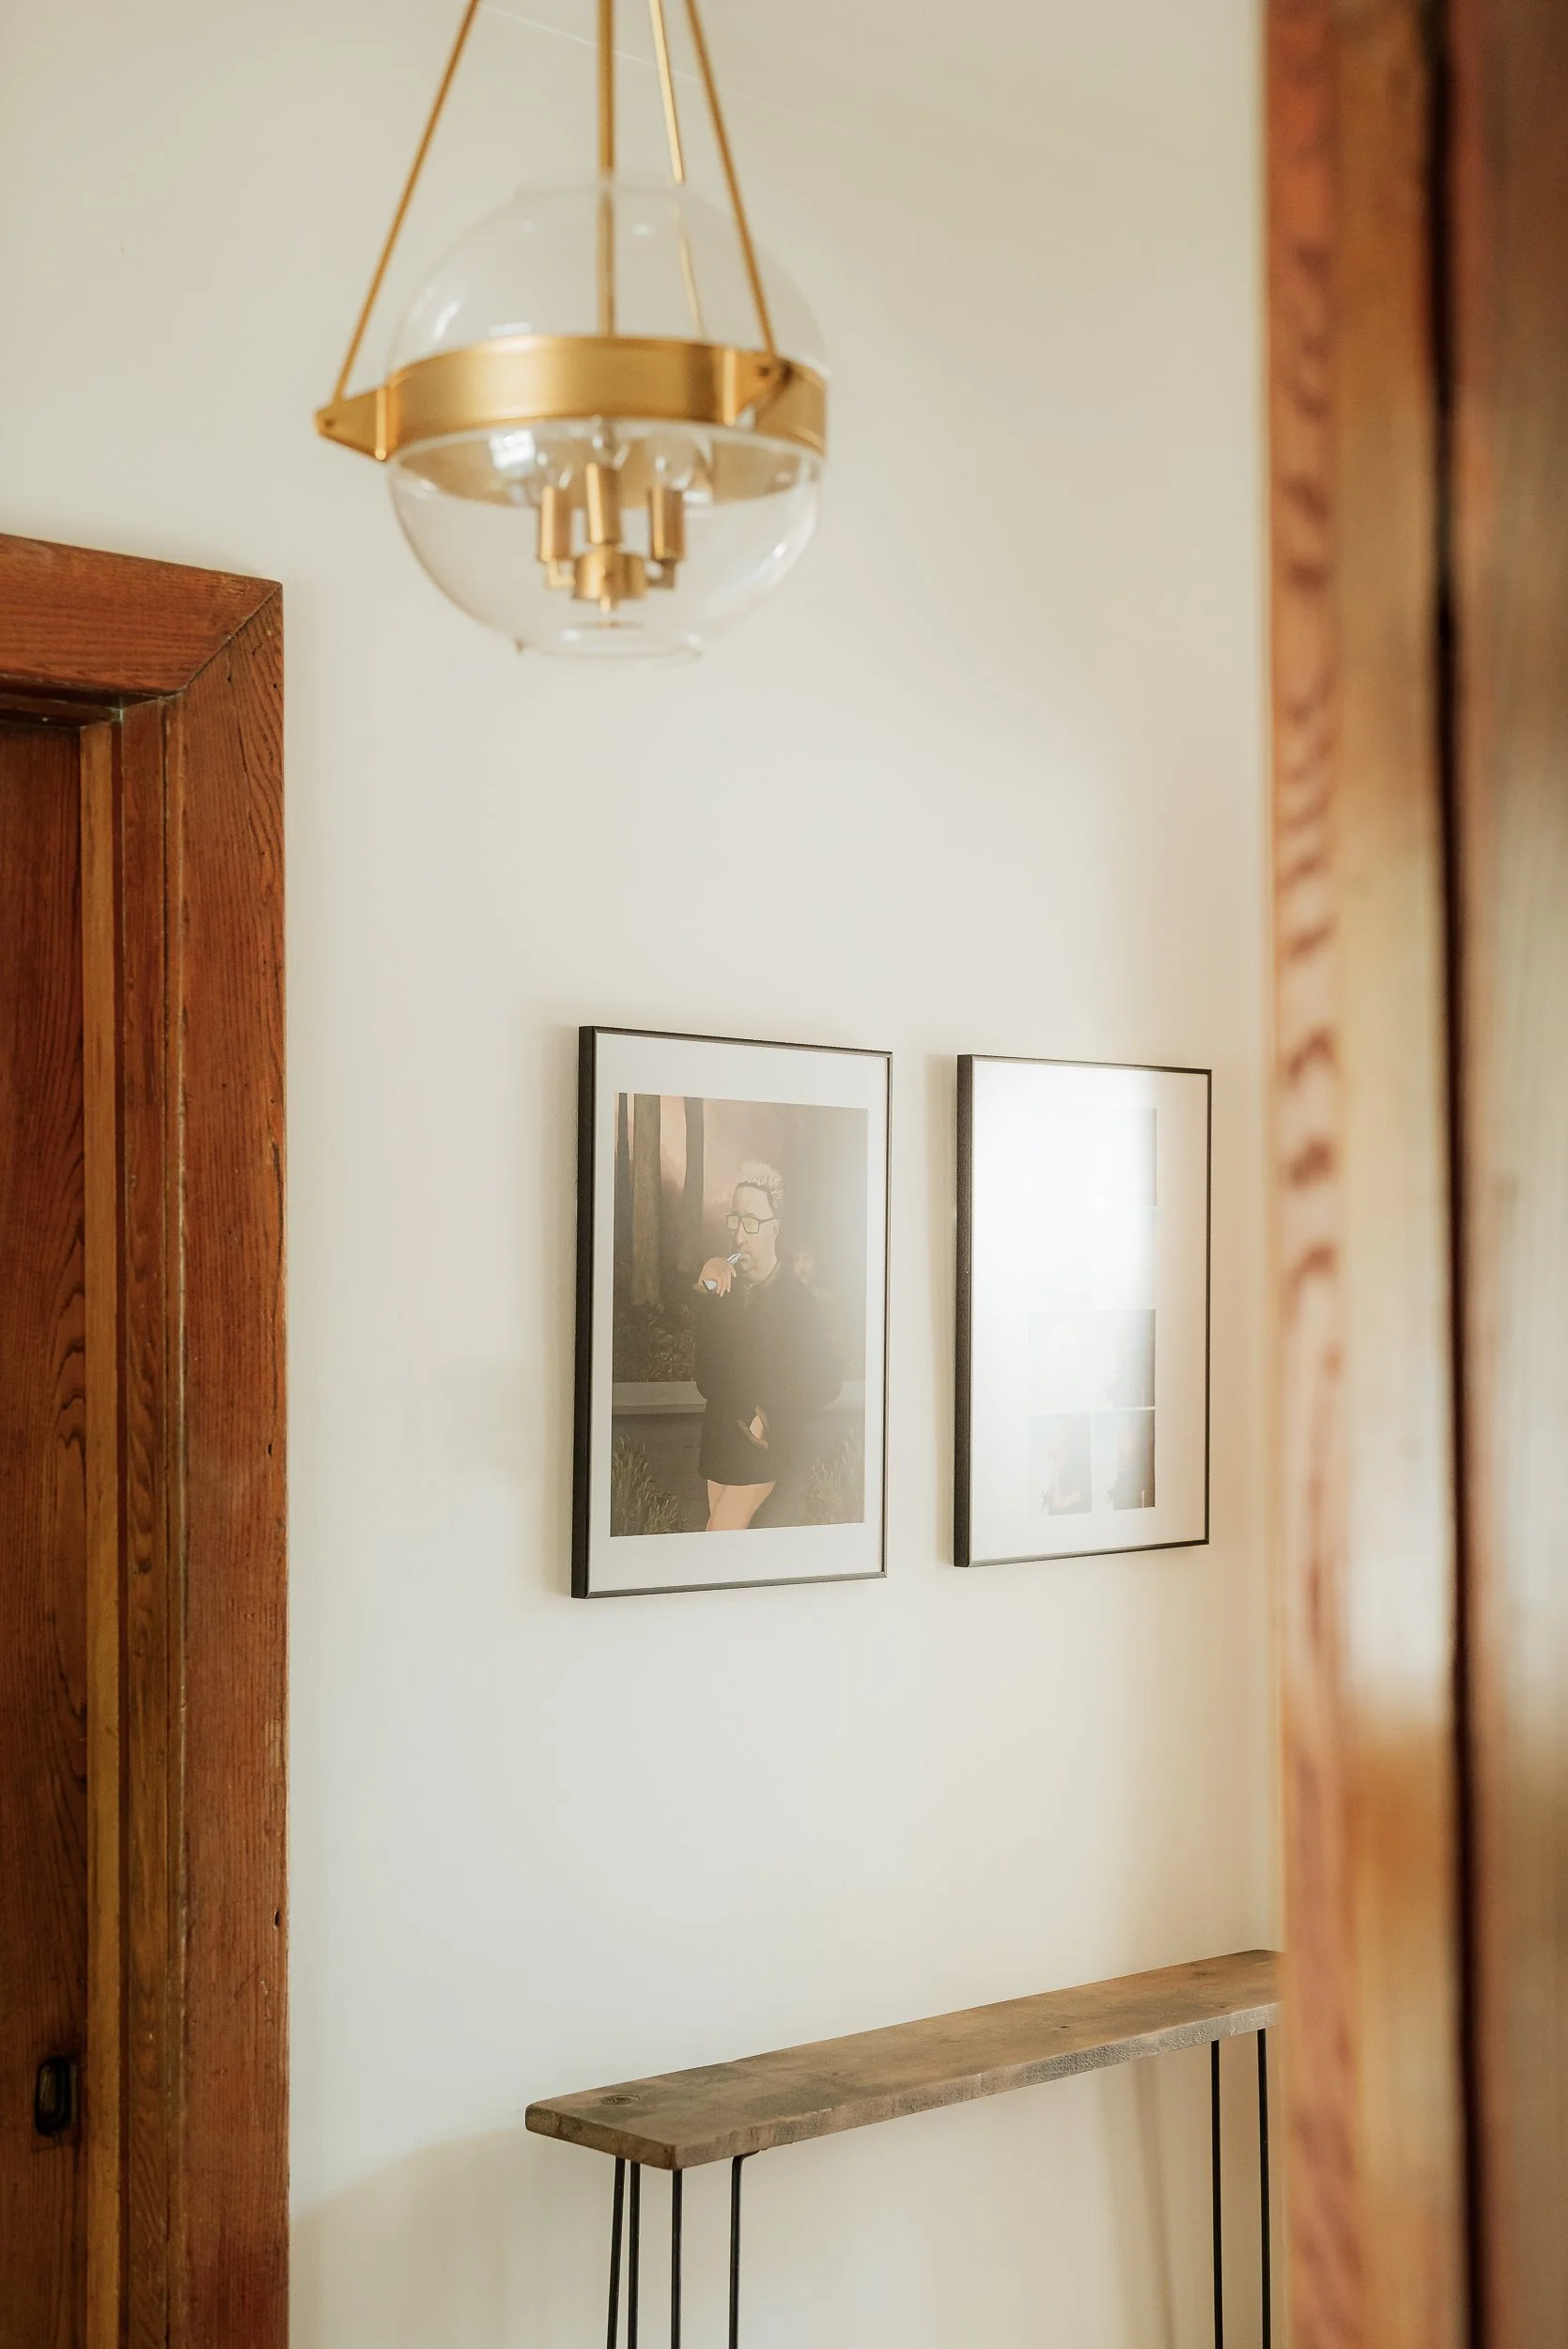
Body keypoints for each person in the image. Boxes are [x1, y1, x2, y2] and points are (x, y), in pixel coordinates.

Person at [692, 1160, 841, 1530]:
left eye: (752, 1223)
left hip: (764, 1450)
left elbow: (828, 1381)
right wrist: (707, 1293)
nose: (739, 1236)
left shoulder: (797, 1300)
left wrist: (770, 1416)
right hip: (719, 1448)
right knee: (728, 1553)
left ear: (775, 1230)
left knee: (719, 1539)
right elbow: (706, 1380)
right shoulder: (725, 1291)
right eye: (735, 1220)